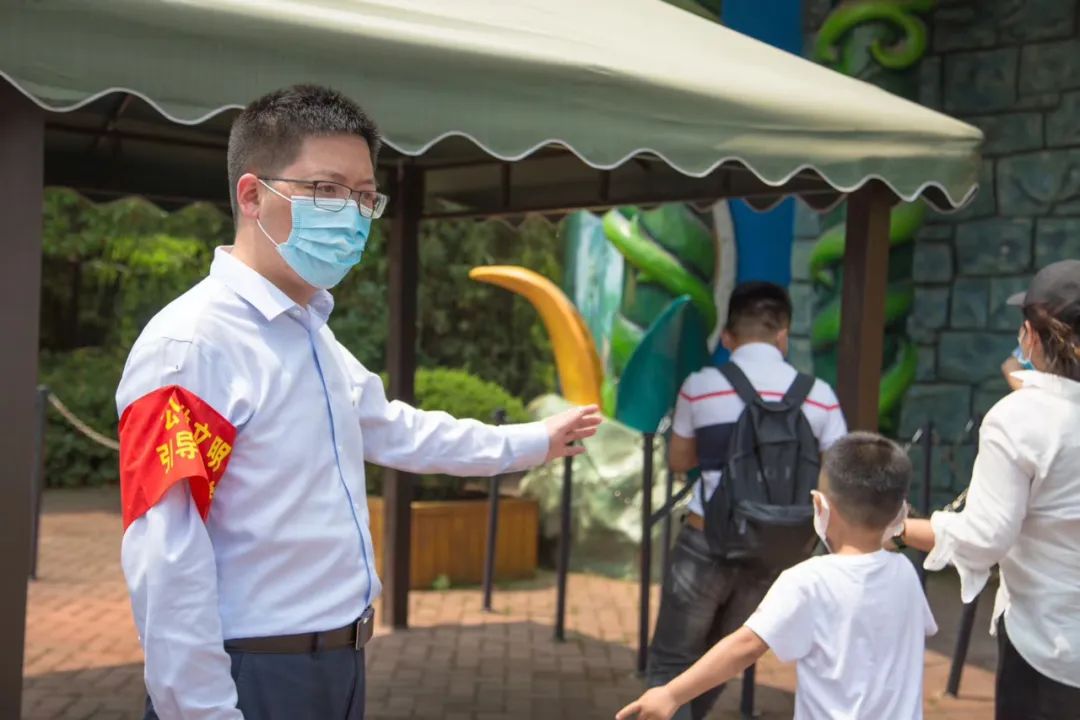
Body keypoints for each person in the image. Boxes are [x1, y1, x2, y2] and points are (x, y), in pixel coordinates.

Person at [115, 85, 602, 720]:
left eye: (364, 196)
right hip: (254, 672)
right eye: (325, 189)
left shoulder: (308, 330)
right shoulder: (191, 346)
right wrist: (201, 710)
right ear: (252, 195)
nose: (349, 214)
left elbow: (395, 429)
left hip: (338, 664)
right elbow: (166, 553)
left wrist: (535, 440)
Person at [619, 432, 936, 720]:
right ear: (900, 511)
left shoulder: (808, 581)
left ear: (819, 505)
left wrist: (671, 694)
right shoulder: (904, 572)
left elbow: (745, 646)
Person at [647, 281, 847, 720]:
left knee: (670, 662)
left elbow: (679, 461)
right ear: (783, 335)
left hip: (706, 541)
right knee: (721, 661)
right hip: (776, 552)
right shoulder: (820, 395)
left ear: (727, 336)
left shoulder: (701, 386)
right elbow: (837, 474)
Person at [899, 259, 1080, 718]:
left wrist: (898, 528)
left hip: (1051, 649)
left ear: (1030, 336)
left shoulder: (1018, 419)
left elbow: (984, 538)